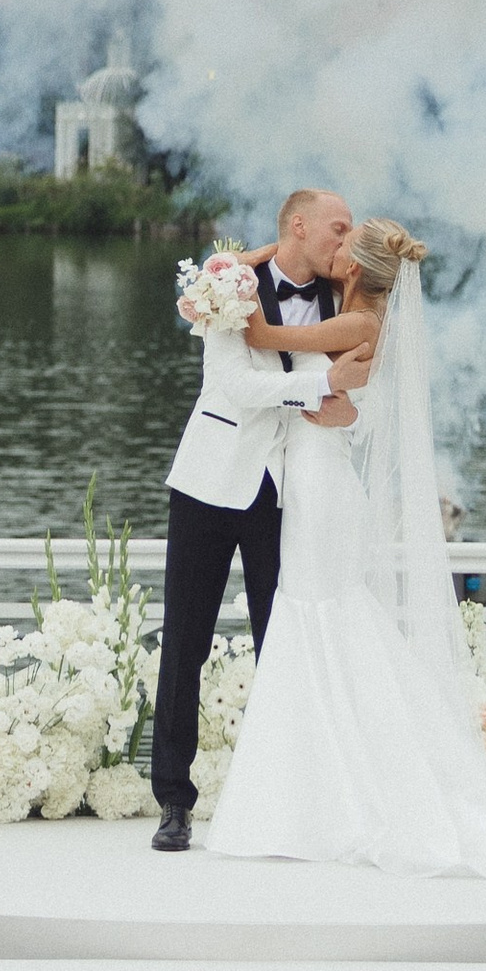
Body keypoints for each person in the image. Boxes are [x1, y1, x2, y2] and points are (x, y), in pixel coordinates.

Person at [207, 216, 486, 879]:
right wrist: (247, 269)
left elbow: (265, 335)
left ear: (355, 269)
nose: (330, 251)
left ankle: (332, 797)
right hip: (313, 480)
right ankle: (315, 792)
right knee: (317, 618)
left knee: (317, 613)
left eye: (340, 246)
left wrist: (230, 279)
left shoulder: (357, 323)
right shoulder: (354, 310)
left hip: (321, 485)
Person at [149, 186, 360, 852]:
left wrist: (343, 404)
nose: (343, 241)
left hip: (284, 495)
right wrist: (319, 386)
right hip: (210, 481)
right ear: (298, 225)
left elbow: (362, 389)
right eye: (336, 227)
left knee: (284, 645)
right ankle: (174, 804)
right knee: (186, 642)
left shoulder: (344, 301)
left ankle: (287, 798)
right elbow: (234, 386)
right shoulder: (230, 283)